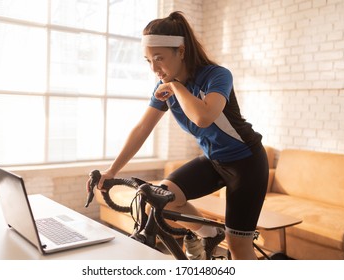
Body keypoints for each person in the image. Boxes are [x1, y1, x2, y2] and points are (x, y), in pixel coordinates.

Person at [89, 11, 269, 260]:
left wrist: (176, 86)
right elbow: (142, 129)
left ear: (181, 51)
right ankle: (208, 233)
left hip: (246, 163)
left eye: (159, 58)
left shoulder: (217, 75)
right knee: (162, 199)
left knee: (238, 245)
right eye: (148, 60)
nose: (154, 68)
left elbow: (203, 117)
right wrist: (112, 171)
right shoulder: (162, 87)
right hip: (213, 160)